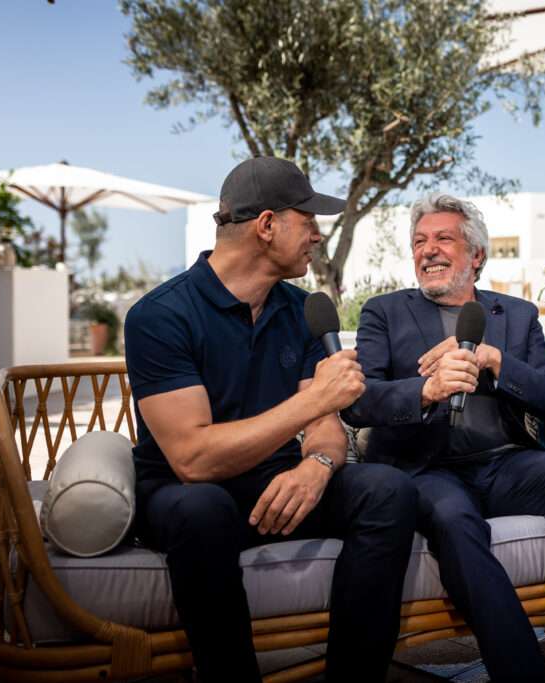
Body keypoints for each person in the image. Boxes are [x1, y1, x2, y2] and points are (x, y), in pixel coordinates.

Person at [124, 157, 418, 682]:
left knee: (387, 490)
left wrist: (319, 465)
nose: (317, 236)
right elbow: (192, 458)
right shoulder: (160, 316)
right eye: (308, 222)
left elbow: (325, 423)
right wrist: (311, 406)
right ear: (266, 225)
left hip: (277, 482)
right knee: (202, 508)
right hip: (183, 492)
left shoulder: (300, 309)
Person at [341, 193, 545, 682]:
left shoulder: (516, 314)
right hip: (424, 468)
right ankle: (522, 672)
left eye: (443, 238)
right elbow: (359, 402)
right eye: (419, 241)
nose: (428, 250)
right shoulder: (384, 312)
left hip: (503, 462)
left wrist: (495, 362)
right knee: (455, 519)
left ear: (477, 255)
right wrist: (426, 390)